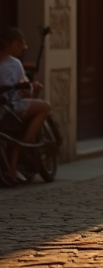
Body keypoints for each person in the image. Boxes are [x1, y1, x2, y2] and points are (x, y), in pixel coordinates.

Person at [0, 28, 53, 183]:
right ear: (9, 44)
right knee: (45, 107)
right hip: (10, 107)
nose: (22, 48)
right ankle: (22, 145)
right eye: (19, 44)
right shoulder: (13, 64)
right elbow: (24, 89)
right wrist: (32, 86)